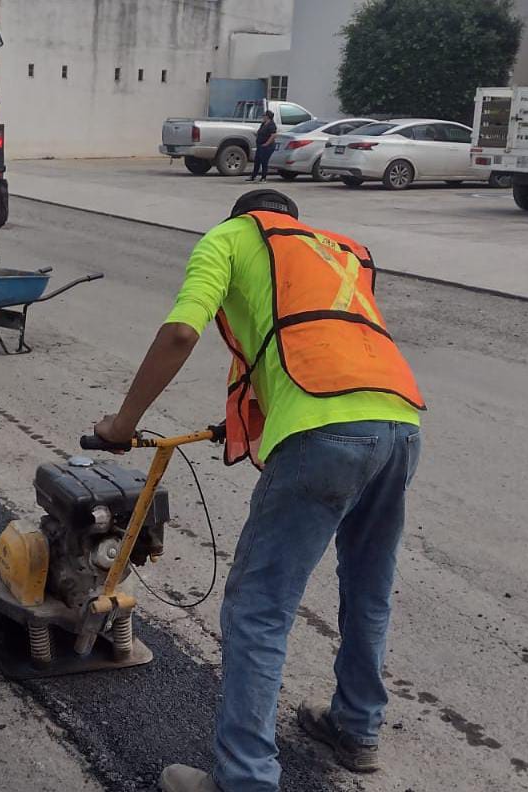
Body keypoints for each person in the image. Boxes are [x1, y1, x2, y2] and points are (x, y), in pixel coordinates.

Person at [91, 189, 425, 792]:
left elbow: (180, 335)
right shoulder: (335, 250)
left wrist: (122, 424)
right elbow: (320, 345)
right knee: (370, 584)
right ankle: (357, 727)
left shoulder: (231, 237)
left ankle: (243, 779)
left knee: (258, 608)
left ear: (242, 218)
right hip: (400, 422)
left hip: (324, 430)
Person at [248, 110, 278, 183]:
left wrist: (267, 143)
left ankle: (263, 178)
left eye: (264, 115)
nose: (263, 117)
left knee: (264, 161)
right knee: (257, 161)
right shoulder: (263, 124)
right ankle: (253, 176)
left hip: (267, 146)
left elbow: (273, 135)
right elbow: (260, 132)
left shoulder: (272, 125)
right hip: (260, 145)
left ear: (267, 116)